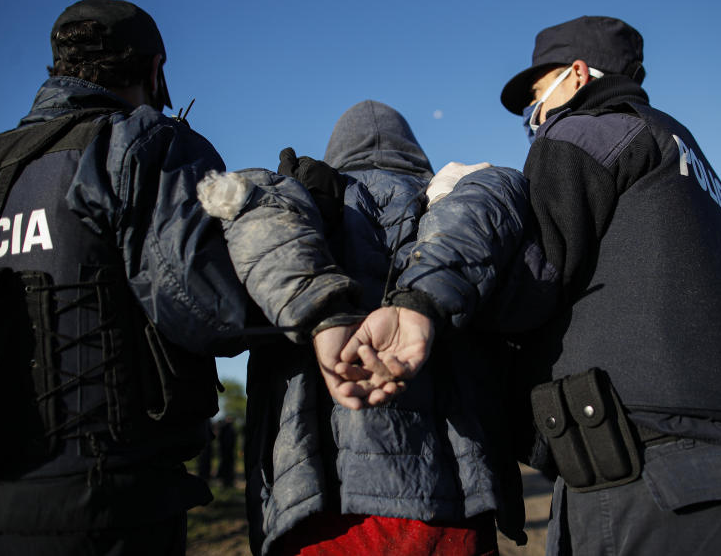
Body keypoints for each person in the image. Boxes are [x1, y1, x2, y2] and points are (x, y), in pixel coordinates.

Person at [347, 16, 721, 556]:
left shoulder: (583, 131)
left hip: (648, 467)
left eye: (537, 98)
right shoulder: (687, 157)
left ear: (577, 75)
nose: (534, 118)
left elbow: (531, 285)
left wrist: (452, 214)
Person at [0, 0, 353, 556]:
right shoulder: (141, 144)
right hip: (108, 507)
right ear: (155, 69)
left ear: (58, 67)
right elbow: (212, 315)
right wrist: (294, 208)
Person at [199, 100, 531, 555]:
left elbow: (246, 203)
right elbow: (499, 192)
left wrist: (321, 308)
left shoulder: (299, 199)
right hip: (449, 497)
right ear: (414, 150)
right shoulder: (455, 198)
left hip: (317, 503)